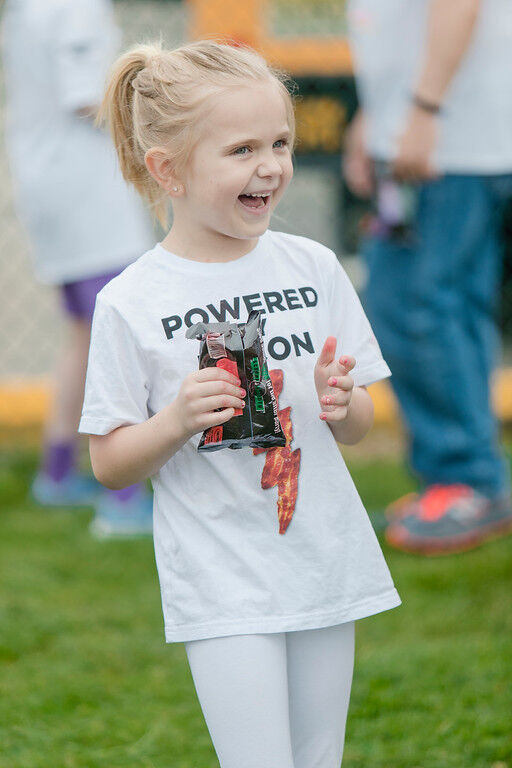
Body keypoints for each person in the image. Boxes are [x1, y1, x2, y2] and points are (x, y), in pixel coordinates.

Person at [78, 40, 401, 767]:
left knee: (321, 758)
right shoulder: (131, 302)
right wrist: (176, 420)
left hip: (325, 564)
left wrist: (342, 402)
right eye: (242, 149)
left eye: (280, 143)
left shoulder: (314, 268)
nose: (270, 165)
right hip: (223, 580)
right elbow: (109, 464)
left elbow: (359, 426)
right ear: (170, 171)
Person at [344, 0, 512, 555]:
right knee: (446, 308)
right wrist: (377, 116)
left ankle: (467, 482)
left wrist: (422, 112)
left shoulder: (433, 121)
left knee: (419, 307)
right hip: (441, 135)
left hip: (448, 142)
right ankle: (465, 479)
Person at [2, 0, 155, 536]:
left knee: (86, 335)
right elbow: (87, 98)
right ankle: (125, 499)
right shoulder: (76, 6)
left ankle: (59, 473)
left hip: (48, 182)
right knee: (125, 336)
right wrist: (165, 130)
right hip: (85, 193)